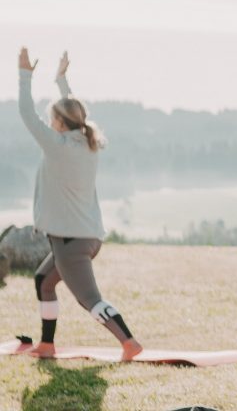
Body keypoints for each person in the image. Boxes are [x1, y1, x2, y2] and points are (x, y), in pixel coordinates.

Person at [18, 49, 143, 361]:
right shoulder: (89, 143)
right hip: (83, 237)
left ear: (59, 123)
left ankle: (129, 342)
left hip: (71, 243)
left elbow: (26, 114)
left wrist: (24, 76)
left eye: (53, 118)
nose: (50, 122)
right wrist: (61, 81)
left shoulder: (58, 146)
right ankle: (47, 345)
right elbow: (75, 110)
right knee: (44, 281)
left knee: (90, 299)